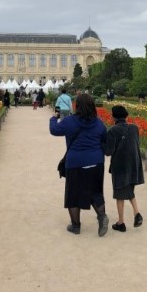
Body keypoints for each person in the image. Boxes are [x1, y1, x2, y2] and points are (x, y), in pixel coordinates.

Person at [49, 93, 109, 237]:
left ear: (77, 106)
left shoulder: (69, 121)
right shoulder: (99, 123)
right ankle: (102, 216)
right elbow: (104, 140)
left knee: (73, 194)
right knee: (95, 192)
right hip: (96, 162)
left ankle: (76, 226)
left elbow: (54, 130)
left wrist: (53, 118)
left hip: (76, 162)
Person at [102, 105, 144, 232]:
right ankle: (137, 213)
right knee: (129, 188)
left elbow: (108, 152)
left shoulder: (112, 131)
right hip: (134, 164)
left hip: (120, 165)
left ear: (113, 117)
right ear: (126, 116)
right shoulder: (134, 128)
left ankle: (121, 223)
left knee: (119, 193)